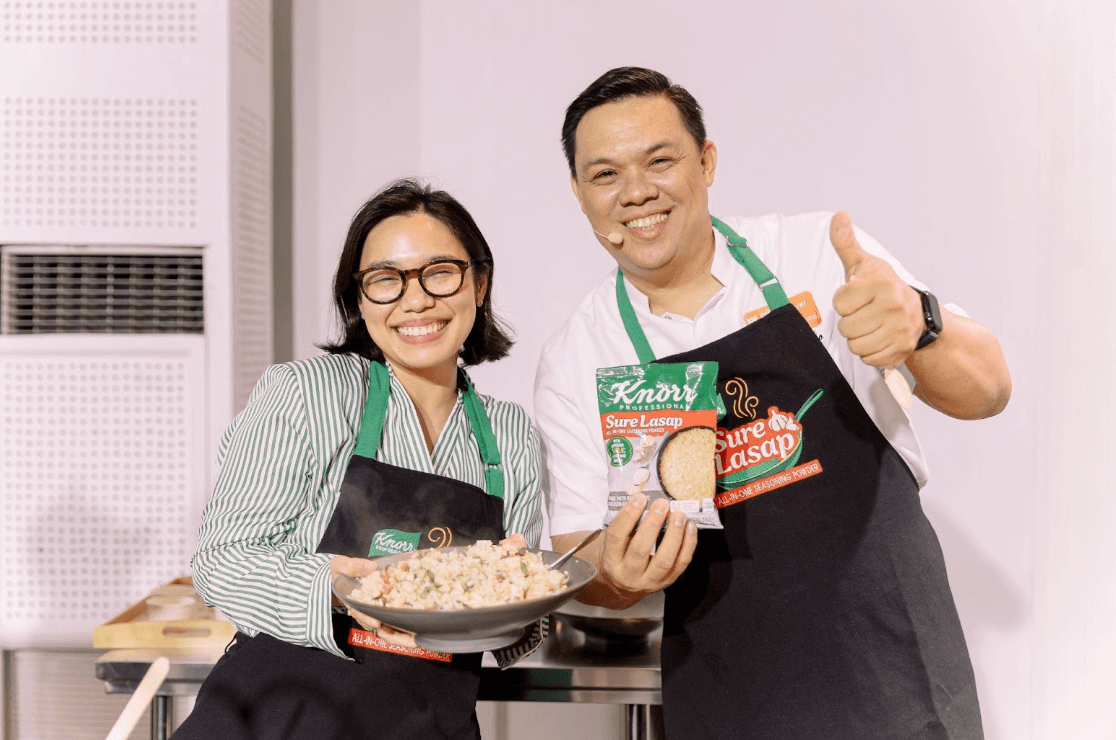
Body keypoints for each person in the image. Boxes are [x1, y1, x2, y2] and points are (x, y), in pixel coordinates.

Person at [536, 67, 1011, 739]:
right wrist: (617, 577)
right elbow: (578, 561)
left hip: (892, 669)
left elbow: (990, 389)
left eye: (660, 161)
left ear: (706, 162)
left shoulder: (817, 255)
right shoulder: (576, 356)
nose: (636, 192)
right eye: (605, 174)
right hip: (727, 692)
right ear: (579, 193)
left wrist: (920, 323)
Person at [173, 179, 543, 740]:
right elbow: (221, 561)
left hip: (428, 724)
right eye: (386, 280)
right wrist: (335, 587)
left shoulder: (510, 433)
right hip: (280, 718)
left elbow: (516, 626)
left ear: (479, 282)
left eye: (440, 272)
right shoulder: (306, 392)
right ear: (360, 300)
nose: (416, 301)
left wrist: (518, 593)